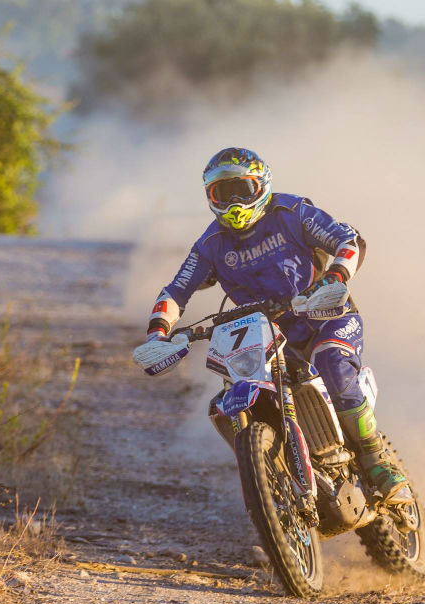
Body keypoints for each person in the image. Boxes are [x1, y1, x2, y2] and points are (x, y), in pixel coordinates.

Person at [133, 147, 409, 504]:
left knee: (333, 363)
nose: (233, 201)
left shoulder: (290, 212)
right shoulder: (211, 244)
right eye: (222, 193)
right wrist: (159, 333)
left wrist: (335, 278)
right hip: (267, 331)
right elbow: (175, 291)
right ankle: (277, 479)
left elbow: (348, 240)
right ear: (209, 197)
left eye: (241, 190)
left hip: (326, 316)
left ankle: (376, 463)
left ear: (261, 186)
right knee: (236, 382)